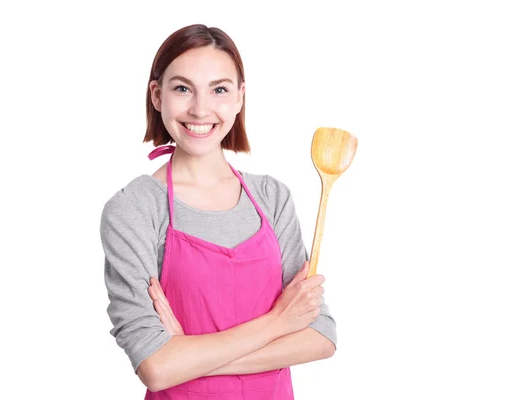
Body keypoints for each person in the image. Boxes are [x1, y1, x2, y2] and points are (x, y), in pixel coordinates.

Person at [99, 24, 337, 399]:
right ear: (157, 96)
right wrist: (279, 321)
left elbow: (320, 335)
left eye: (219, 89)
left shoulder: (272, 198)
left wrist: (189, 354)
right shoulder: (135, 209)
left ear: (240, 97)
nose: (200, 108)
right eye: (182, 88)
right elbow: (157, 368)